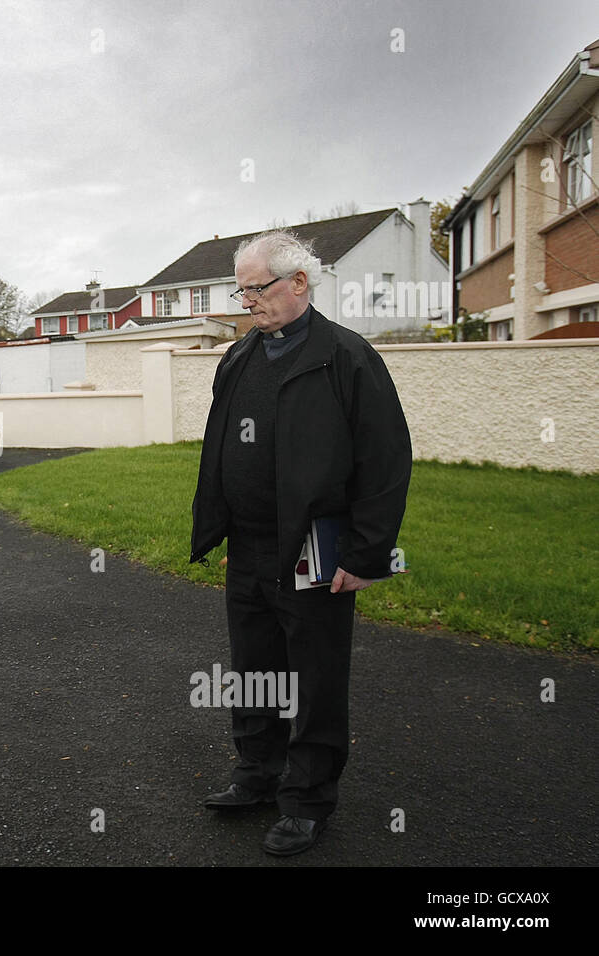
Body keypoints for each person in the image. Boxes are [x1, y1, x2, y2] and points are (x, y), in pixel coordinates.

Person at [189, 230, 411, 855]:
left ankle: (308, 799)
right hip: (251, 548)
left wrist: (367, 555)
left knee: (314, 678)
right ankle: (258, 775)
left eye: (256, 289)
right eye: (242, 290)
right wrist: (226, 528)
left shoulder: (347, 357)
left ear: (299, 283)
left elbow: (386, 460)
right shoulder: (237, 358)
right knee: (254, 669)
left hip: (318, 548)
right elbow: (222, 452)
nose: (246, 301)